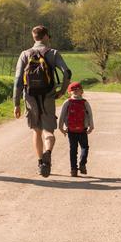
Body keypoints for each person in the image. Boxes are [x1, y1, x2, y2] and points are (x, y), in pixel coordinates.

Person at [13, 25, 72, 177]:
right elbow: (67, 72)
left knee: (36, 131)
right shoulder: (53, 53)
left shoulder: (25, 54)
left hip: (30, 97)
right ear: (45, 36)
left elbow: (18, 80)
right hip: (48, 96)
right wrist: (62, 90)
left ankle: (41, 163)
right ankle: (48, 153)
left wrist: (16, 103)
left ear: (34, 37)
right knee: (48, 131)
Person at [59, 82, 94, 177]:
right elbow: (90, 115)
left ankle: (73, 170)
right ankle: (82, 163)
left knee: (73, 150)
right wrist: (91, 126)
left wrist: (61, 128)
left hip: (71, 130)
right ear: (81, 92)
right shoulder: (85, 102)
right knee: (84, 147)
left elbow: (62, 116)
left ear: (69, 92)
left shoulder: (67, 102)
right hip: (83, 130)